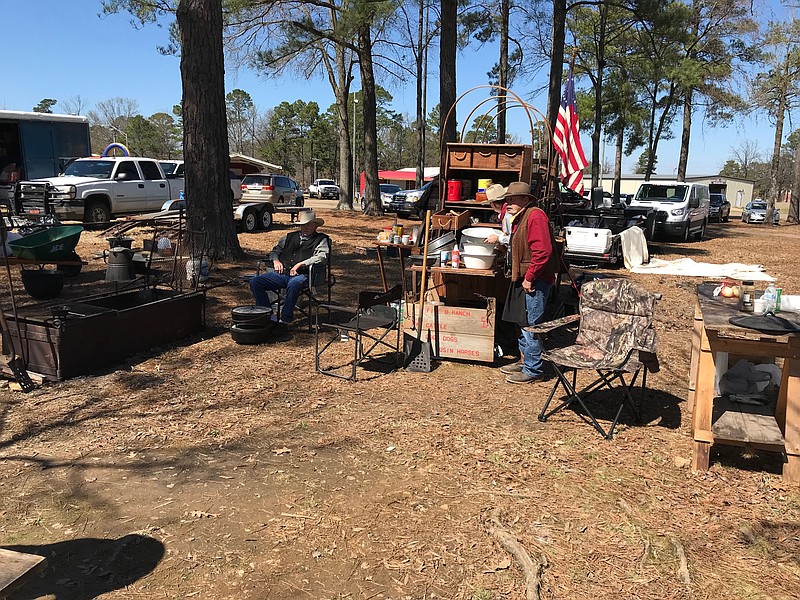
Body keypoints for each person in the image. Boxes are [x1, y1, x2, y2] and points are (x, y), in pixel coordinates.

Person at [499, 181, 557, 384]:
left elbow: (543, 252)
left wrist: (530, 277)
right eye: (507, 199)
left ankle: (534, 370)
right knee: (522, 321)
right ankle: (525, 361)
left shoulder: (535, 216)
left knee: (532, 324)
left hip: (536, 280)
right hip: (524, 277)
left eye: (513, 199)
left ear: (525, 200)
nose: (509, 203)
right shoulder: (521, 217)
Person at [249, 209, 330, 328]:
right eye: (303, 225)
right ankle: (268, 314)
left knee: (294, 283)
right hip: (284, 273)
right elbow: (275, 251)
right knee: (255, 282)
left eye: (308, 225)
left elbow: (322, 257)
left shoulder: (321, 240)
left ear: (315, 226)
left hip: (305, 274)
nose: (305, 227)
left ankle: (285, 319)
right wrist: (275, 260)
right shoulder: (288, 237)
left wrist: (302, 264)